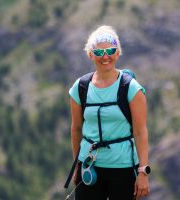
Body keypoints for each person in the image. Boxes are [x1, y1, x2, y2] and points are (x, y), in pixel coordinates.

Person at [68, 25, 150, 200]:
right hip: (89, 167)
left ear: (118, 53)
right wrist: (77, 165)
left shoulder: (131, 89)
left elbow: (140, 131)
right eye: (99, 52)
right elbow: (76, 129)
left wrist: (143, 171)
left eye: (111, 51)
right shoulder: (80, 87)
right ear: (90, 55)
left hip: (123, 168)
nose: (105, 56)